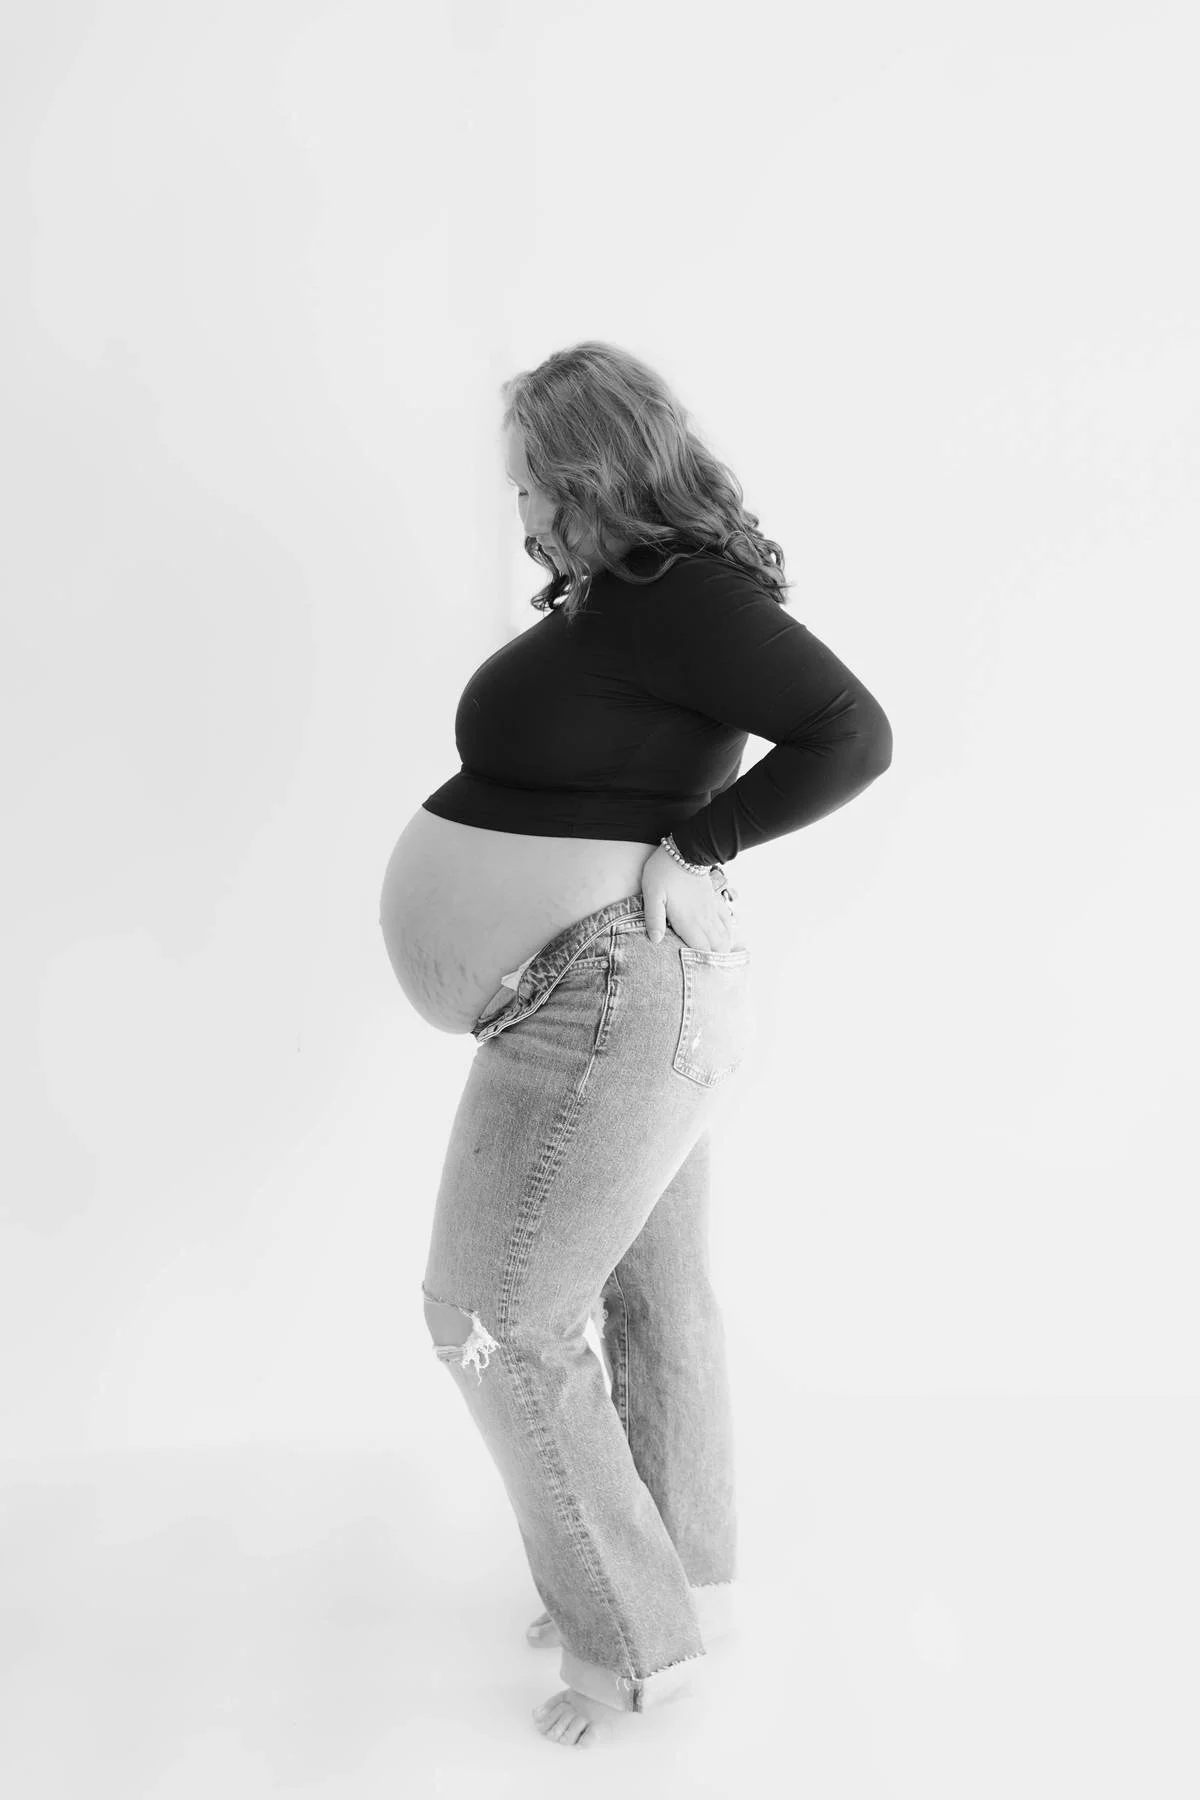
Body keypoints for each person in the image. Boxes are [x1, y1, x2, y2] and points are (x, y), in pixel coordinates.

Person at [390, 340, 893, 1748]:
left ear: (594, 473)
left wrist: (701, 843)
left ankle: (630, 1642)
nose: (521, 515)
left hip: (617, 998)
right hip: (598, 998)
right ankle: (678, 1590)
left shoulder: (688, 599)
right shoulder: (623, 602)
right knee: (652, 1295)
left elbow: (852, 733)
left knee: (493, 1318)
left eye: (532, 486)